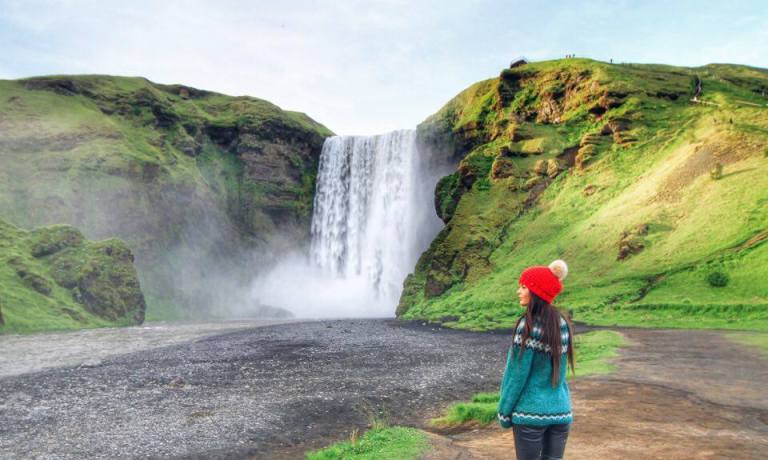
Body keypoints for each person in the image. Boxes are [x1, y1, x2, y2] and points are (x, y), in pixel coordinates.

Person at [497, 260, 575, 460]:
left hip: (530, 415)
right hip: (560, 413)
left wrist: (504, 412)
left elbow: (516, 374)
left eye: (523, 287)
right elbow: (560, 369)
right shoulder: (561, 323)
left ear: (536, 292)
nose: (518, 291)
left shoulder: (528, 326)